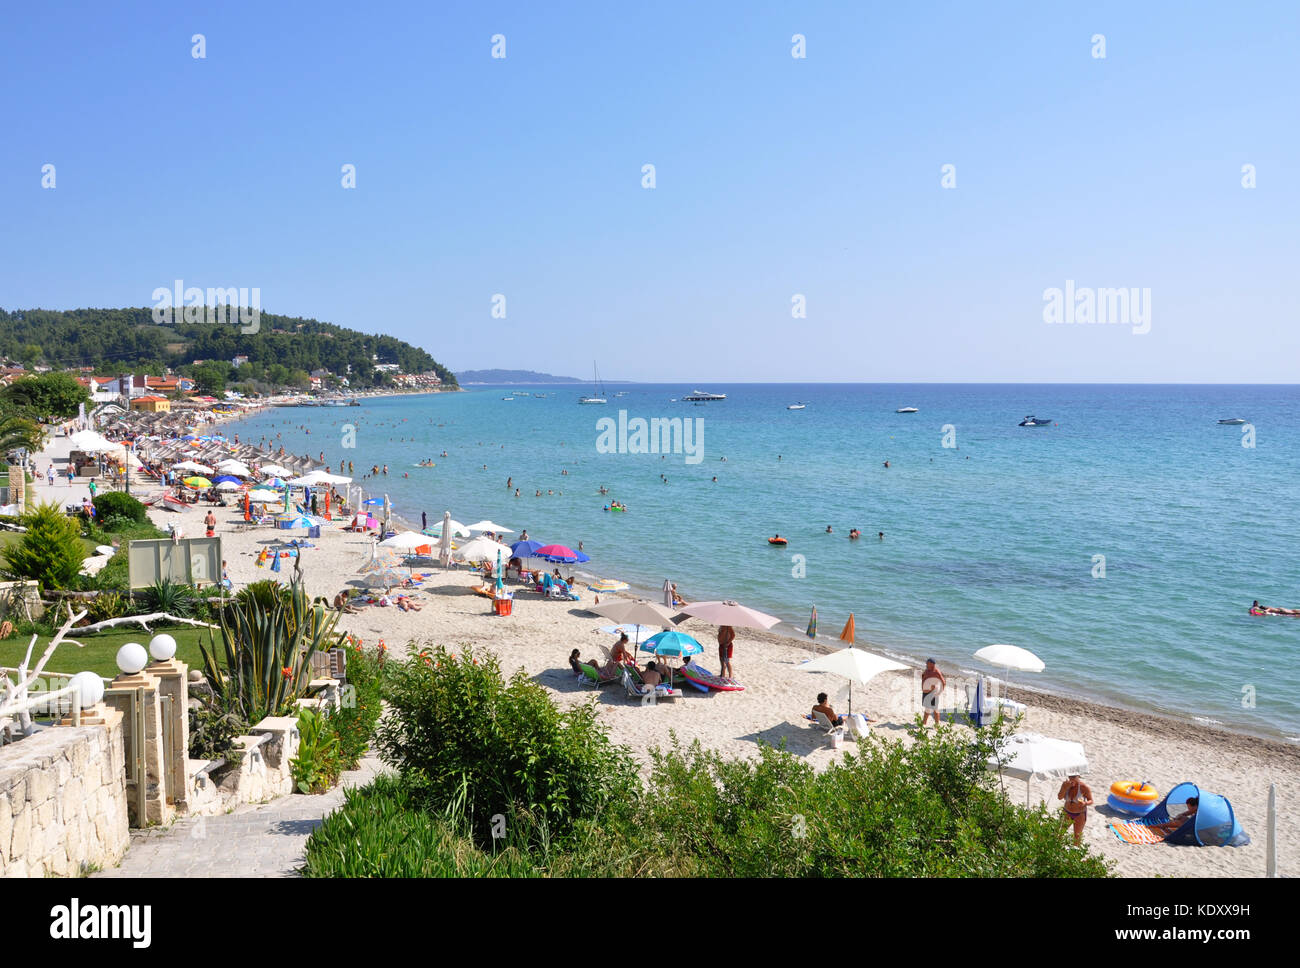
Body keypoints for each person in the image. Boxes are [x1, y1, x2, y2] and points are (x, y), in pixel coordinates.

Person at [1057, 772, 1094, 845]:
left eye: (1074, 777)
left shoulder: (1084, 787)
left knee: (1077, 836)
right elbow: (1059, 797)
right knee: (1060, 833)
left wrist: (1085, 803)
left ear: (1078, 777)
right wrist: (1065, 788)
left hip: (1079, 814)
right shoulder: (1065, 785)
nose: (1071, 778)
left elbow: (1091, 800)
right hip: (1067, 812)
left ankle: (1074, 853)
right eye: (1070, 776)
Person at [921, 658, 945, 726]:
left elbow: (943, 682)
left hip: (933, 693)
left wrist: (940, 692)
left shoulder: (936, 672)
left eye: (927, 663)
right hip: (926, 692)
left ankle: (937, 725)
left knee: (935, 709)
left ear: (932, 664)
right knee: (927, 708)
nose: (926, 664)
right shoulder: (927, 670)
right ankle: (924, 723)